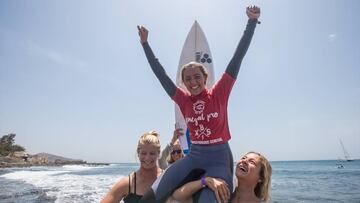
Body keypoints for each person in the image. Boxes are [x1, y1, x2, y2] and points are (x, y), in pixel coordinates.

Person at [137, 5, 261, 203]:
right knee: (152, 196)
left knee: (208, 200)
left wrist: (252, 22)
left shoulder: (219, 93)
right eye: (188, 79)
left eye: (197, 77)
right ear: (184, 83)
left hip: (219, 160)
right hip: (194, 156)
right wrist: (145, 44)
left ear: (205, 77)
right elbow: (160, 75)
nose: (193, 82)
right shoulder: (183, 100)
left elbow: (237, 57)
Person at [172, 151, 272, 203]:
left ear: (261, 178)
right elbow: (177, 196)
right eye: (243, 158)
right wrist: (204, 181)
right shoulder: (222, 194)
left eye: (252, 162)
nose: (244, 161)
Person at [101, 131, 163, 203]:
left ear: (158, 154)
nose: (147, 158)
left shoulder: (167, 178)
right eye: (143, 153)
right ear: (138, 153)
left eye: (152, 153)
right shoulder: (127, 183)